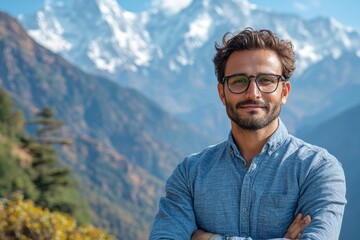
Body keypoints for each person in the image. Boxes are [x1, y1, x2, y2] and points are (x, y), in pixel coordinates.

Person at [149, 28, 346, 240]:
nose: (253, 93)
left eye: (266, 80)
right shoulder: (190, 174)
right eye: (239, 81)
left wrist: (209, 238)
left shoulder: (317, 169)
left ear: (284, 92)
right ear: (222, 93)